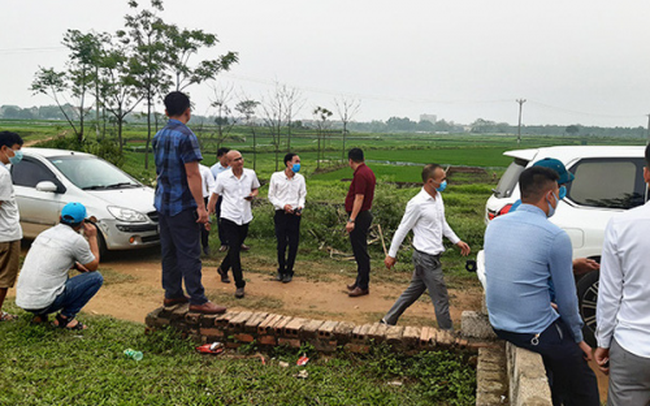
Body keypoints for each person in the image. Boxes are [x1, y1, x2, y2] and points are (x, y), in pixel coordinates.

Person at [484, 166, 599, 406]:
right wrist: (579, 340)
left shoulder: (496, 224)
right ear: (550, 196)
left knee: (558, 368)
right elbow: (568, 303)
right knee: (583, 379)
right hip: (529, 330)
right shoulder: (554, 236)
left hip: (498, 322)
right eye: (558, 192)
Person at [152, 91, 226, 315]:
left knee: (169, 250)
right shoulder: (186, 136)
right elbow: (193, 175)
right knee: (189, 252)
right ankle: (198, 298)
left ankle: (172, 292)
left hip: (163, 203)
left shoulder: (159, 135)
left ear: (166, 112)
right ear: (188, 112)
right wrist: (201, 208)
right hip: (182, 205)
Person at [381, 164, 470, 329]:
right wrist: (391, 254)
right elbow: (403, 229)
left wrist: (456, 240)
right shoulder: (417, 203)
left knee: (414, 290)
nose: (445, 182)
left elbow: (442, 223)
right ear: (430, 181)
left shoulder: (437, 198)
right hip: (425, 258)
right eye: (442, 179)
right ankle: (447, 333)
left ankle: (388, 320)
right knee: (441, 297)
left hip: (432, 257)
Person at [595, 143, 650, 405]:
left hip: (632, 346)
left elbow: (609, 293)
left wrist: (603, 340)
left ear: (646, 174)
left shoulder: (621, 225)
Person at [15, 202, 102, 329]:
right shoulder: (76, 240)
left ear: (60, 218)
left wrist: (76, 266)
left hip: (24, 300)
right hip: (45, 303)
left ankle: (40, 316)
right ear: (82, 222)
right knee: (96, 278)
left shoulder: (45, 233)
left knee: (56, 273)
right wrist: (93, 237)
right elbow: (93, 266)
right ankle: (65, 318)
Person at [208, 150, 260, 298]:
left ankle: (223, 268)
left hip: (245, 216)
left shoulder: (250, 174)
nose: (240, 161)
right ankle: (240, 284)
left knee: (236, 246)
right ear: (229, 163)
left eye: (241, 158)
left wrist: (253, 195)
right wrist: (208, 212)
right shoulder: (222, 177)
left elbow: (255, 189)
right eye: (236, 160)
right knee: (235, 250)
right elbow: (215, 195)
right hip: (228, 216)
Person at [268, 153, 307, 283]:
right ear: (288, 163)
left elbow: (302, 195)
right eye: (296, 161)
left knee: (294, 243)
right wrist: (283, 205)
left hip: (295, 214)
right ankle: (281, 269)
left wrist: (300, 206)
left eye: (299, 161)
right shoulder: (276, 177)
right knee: (281, 243)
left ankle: (290, 270)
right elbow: (271, 196)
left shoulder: (300, 178)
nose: (298, 164)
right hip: (281, 213)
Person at [345, 148, 376, 297]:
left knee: (361, 252)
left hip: (360, 217)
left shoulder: (361, 175)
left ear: (351, 160)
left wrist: (352, 219)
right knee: (359, 251)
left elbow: (359, 198)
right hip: (362, 215)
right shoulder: (366, 171)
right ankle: (359, 281)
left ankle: (363, 285)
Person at [0, 131, 23, 322]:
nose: (18, 154)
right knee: (4, 277)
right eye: (16, 150)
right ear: (4, 149)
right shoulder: (2, 174)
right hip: (5, 233)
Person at [210, 147, 231, 252]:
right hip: (220, 198)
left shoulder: (233, 167)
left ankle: (238, 242)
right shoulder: (213, 170)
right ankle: (224, 242)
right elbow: (212, 187)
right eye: (225, 157)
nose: (228, 159)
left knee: (236, 219)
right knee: (221, 220)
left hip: (233, 197)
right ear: (219, 157)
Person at [199, 163, 216, 256]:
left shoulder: (205, 170)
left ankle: (205, 245)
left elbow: (212, 186)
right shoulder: (182, 169)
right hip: (187, 200)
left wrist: (210, 202)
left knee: (205, 224)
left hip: (203, 199)